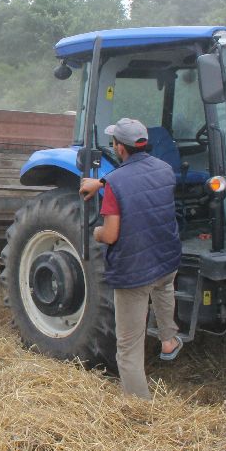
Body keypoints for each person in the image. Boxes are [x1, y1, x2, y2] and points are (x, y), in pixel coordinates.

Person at [79, 117, 183, 399]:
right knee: (164, 291)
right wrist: (102, 182)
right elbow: (138, 181)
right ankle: (168, 341)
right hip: (166, 259)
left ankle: (140, 408)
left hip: (135, 272)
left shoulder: (115, 184)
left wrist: (96, 232)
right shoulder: (165, 169)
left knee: (127, 347)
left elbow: (111, 235)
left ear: (119, 148)